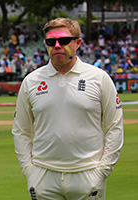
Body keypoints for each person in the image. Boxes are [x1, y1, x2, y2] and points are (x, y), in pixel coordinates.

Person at [12, 18, 124, 200]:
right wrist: (29, 170)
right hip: (43, 174)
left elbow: (115, 126)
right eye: (51, 42)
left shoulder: (99, 78)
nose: (57, 46)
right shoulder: (31, 81)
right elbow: (21, 130)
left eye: (64, 40)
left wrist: (103, 170)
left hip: (87, 173)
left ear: (77, 43)